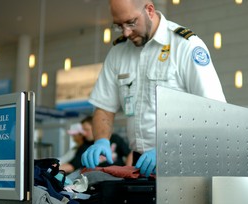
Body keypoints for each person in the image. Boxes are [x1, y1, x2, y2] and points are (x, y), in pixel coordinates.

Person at [81, 0, 226, 177]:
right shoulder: (118, 53)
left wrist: (169, 151)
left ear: (149, 10)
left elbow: (215, 113)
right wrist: (101, 140)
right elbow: (104, 106)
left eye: (131, 23)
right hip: (138, 166)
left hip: (182, 162)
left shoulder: (185, 46)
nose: (126, 32)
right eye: (119, 26)